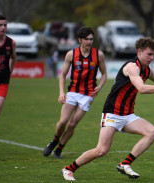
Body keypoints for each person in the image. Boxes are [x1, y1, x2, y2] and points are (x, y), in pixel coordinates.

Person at [61, 37, 154, 181]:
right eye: (149, 54)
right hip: (112, 113)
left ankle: (125, 164)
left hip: (127, 114)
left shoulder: (146, 70)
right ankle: (68, 169)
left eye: (153, 54)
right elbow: (142, 88)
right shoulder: (132, 67)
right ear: (139, 51)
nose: (152, 57)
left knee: (152, 132)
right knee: (101, 150)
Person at [43, 27, 107, 158]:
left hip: (88, 95)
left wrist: (100, 86)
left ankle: (59, 149)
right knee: (62, 122)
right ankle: (55, 140)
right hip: (72, 92)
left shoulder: (98, 54)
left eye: (91, 39)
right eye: (87, 39)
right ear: (80, 40)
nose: (89, 42)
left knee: (72, 124)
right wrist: (61, 92)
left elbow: (105, 74)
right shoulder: (71, 54)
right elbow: (63, 75)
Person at [0, 15, 16, 132]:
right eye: (0, 25)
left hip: (2, 83)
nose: (3, 27)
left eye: (5, 25)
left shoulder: (11, 43)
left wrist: (10, 71)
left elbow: (13, 57)